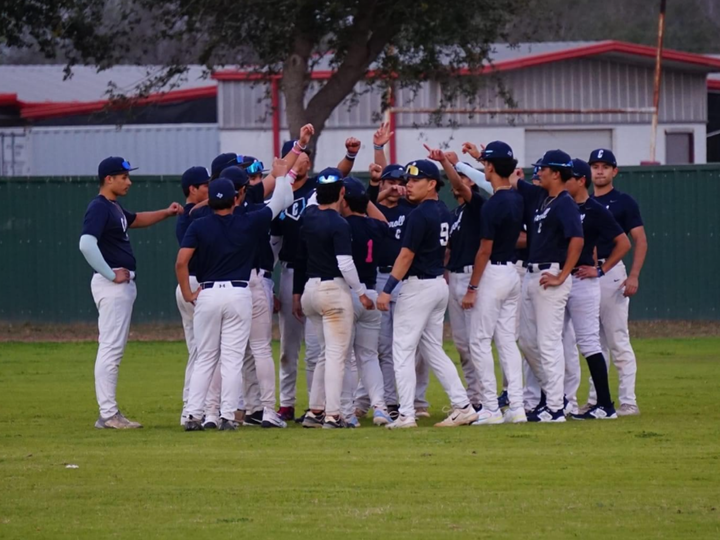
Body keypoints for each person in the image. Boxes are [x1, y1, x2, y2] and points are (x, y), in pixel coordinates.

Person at [176, 159, 293, 431]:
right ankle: (228, 415)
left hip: (207, 293)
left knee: (206, 358)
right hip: (239, 292)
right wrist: (281, 175)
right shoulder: (248, 221)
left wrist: (187, 291)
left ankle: (199, 415)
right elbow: (282, 200)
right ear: (236, 196)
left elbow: (181, 262)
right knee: (232, 358)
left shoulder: (198, 224)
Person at [79, 156, 183, 429]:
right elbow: (86, 244)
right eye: (123, 177)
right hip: (112, 285)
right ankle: (108, 415)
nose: (129, 181)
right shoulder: (99, 207)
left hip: (119, 286)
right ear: (108, 179)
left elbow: (135, 219)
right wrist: (111, 274)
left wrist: (166, 212)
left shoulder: (113, 208)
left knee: (113, 347)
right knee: (111, 348)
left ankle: (109, 413)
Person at [376, 159, 478, 429]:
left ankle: (407, 414)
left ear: (432, 184)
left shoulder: (419, 215)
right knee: (433, 349)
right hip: (437, 284)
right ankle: (463, 406)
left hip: (418, 286)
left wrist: (386, 291)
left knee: (402, 350)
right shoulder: (443, 210)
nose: (408, 185)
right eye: (407, 180)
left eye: (415, 180)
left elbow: (406, 255)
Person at [450, 141, 527, 425]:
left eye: (486, 163)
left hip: (492, 274)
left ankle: (491, 408)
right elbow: (486, 180)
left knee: (479, 341)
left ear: (491, 166)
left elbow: (483, 250)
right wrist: (468, 160)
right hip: (511, 274)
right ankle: (516, 406)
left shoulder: (493, 204)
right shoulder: (517, 196)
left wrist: (472, 288)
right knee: (507, 341)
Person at [292, 172, 374, 429]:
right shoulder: (339, 223)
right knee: (337, 355)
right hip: (333, 291)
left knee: (325, 354)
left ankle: (315, 410)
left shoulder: (309, 215)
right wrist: (360, 291)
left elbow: (316, 196)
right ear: (341, 193)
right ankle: (333, 414)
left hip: (310, 290)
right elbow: (345, 263)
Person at [509, 149, 584, 423]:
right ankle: (556, 397)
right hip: (531, 275)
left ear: (556, 173)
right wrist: (472, 160)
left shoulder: (565, 203)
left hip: (550, 274)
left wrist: (563, 275)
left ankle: (555, 408)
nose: (537, 172)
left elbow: (577, 239)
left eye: (542, 168)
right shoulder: (542, 197)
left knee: (549, 343)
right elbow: (508, 180)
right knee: (528, 342)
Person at [564, 158, 631, 420]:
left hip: (583, 281)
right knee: (556, 342)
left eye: (567, 176)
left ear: (581, 180)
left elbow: (623, 243)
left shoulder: (595, 208)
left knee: (589, 342)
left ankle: (605, 404)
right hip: (563, 278)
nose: (562, 180)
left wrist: (600, 270)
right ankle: (560, 402)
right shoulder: (563, 206)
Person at [586, 149, 648, 416]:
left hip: (612, 275)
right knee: (592, 342)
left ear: (615, 171)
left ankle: (628, 400)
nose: (599, 171)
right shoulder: (584, 201)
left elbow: (640, 240)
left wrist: (633, 275)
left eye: (605, 166)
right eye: (595, 166)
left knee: (617, 339)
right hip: (586, 275)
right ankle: (595, 399)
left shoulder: (624, 202)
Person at [427, 145, 485, 412]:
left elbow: (462, 187)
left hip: (474, 277)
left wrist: (447, 164)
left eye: (463, 179)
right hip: (455, 277)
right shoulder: (455, 213)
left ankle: (486, 397)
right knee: (462, 344)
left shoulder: (476, 207)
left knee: (475, 343)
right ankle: (474, 397)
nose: (457, 185)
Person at [271, 127, 323, 422]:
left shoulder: (316, 188)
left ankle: (315, 404)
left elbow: (340, 173)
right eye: (297, 155)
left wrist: (350, 155)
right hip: (290, 271)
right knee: (288, 347)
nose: (302, 160)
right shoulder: (279, 192)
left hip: (315, 273)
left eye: (305, 156)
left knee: (316, 346)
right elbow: (274, 241)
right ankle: (287, 402)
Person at [337, 177, 394, 427]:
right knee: (369, 356)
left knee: (346, 357)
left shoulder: (341, 226)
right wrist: (367, 200)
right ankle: (380, 407)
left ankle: (348, 411)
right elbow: (384, 222)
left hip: (348, 293)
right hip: (371, 293)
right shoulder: (374, 225)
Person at [175, 166, 210, 426]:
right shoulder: (191, 217)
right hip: (194, 283)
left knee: (197, 350)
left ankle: (193, 405)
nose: (210, 189)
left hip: (190, 285)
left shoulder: (194, 214)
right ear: (192, 189)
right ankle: (191, 408)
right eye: (205, 185)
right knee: (201, 351)